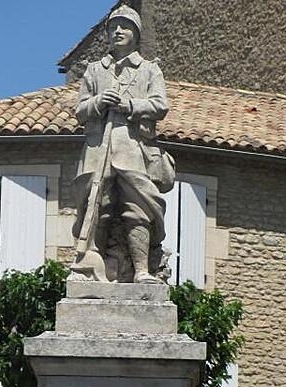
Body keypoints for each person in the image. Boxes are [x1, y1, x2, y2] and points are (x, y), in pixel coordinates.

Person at [71, 4, 175, 284]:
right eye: (112, 27)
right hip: (97, 149)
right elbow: (80, 110)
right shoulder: (94, 71)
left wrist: (130, 105)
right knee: (96, 205)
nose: (117, 31)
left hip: (133, 148)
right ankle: (95, 270)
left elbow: (160, 105)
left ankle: (141, 270)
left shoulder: (149, 70)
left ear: (136, 34)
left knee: (139, 207)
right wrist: (98, 102)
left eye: (125, 26)